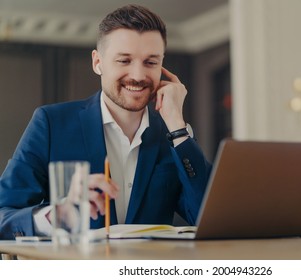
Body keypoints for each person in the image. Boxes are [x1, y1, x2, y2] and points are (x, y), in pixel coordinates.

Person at [0, 4, 212, 240]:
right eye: (124, 60)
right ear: (97, 62)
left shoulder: (174, 136)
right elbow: (3, 215)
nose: (139, 75)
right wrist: (55, 216)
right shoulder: (50, 124)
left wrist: (177, 126)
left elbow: (210, 220)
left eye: (151, 62)